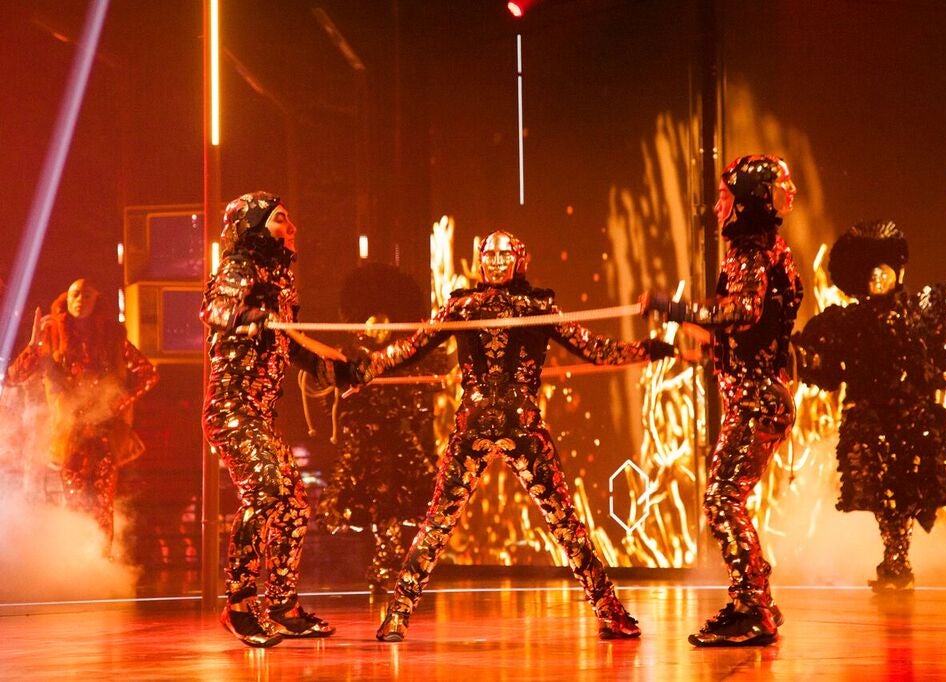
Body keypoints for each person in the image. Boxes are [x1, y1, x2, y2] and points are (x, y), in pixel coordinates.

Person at [369, 230, 675, 642]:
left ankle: (610, 611)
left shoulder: (537, 307)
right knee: (439, 521)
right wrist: (363, 369)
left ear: (519, 260)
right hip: (477, 424)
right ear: (480, 260)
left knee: (564, 522)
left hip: (521, 426)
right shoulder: (463, 307)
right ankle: (397, 615)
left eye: (504, 254)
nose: (496, 261)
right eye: (489, 254)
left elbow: (596, 350)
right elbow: (412, 347)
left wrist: (649, 350)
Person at [792, 220, 946, 592]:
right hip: (871, 418)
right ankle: (895, 558)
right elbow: (822, 361)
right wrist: (798, 357)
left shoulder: (924, 311)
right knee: (886, 493)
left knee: (908, 489)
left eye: (884, 268)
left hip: (914, 418)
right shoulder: (846, 322)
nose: (878, 278)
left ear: (898, 269)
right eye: (870, 272)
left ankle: (897, 559)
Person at [642, 154, 801, 646]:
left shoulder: (749, 252)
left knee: (721, 498)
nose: (716, 207)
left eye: (724, 197)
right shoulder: (769, 250)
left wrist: (673, 307)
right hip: (762, 397)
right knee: (727, 497)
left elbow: (744, 312)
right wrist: (691, 340)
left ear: (747, 201)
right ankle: (754, 600)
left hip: (755, 399)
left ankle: (754, 608)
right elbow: (749, 327)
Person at [202, 191, 363, 648]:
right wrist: (252, 316)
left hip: (260, 414)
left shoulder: (280, 280)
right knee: (268, 492)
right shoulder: (239, 266)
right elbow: (216, 311)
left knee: (293, 502)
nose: (291, 228)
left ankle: (282, 607)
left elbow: (288, 344)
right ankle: (238, 605)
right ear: (253, 227)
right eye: (279, 219)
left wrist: (334, 369)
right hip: (232, 409)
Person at [5, 278, 158, 554]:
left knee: (102, 505)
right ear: (66, 298)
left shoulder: (112, 337)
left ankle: (102, 562)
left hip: (104, 435)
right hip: (69, 435)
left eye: (87, 295)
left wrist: (117, 402)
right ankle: (78, 563)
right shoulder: (52, 335)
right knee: (75, 503)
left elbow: (148, 374)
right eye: (76, 294)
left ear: (97, 300)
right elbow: (13, 377)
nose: (80, 300)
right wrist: (33, 347)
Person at [310, 310, 441, 594]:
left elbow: (419, 396)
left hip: (397, 436)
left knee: (410, 495)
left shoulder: (401, 356)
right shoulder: (352, 355)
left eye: (385, 326)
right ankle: (382, 563)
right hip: (365, 437)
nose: (380, 331)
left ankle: (390, 564)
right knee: (366, 497)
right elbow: (332, 394)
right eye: (374, 325)